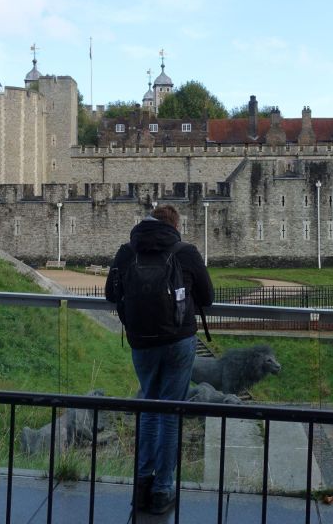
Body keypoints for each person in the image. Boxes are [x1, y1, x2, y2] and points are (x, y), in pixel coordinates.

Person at [105, 204, 214, 514]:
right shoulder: (185, 250)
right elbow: (207, 297)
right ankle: (163, 491)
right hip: (179, 341)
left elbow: (110, 295)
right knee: (170, 413)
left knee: (149, 409)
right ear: (174, 225)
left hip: (142, 341)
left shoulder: (127, 251)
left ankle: (141, 488)